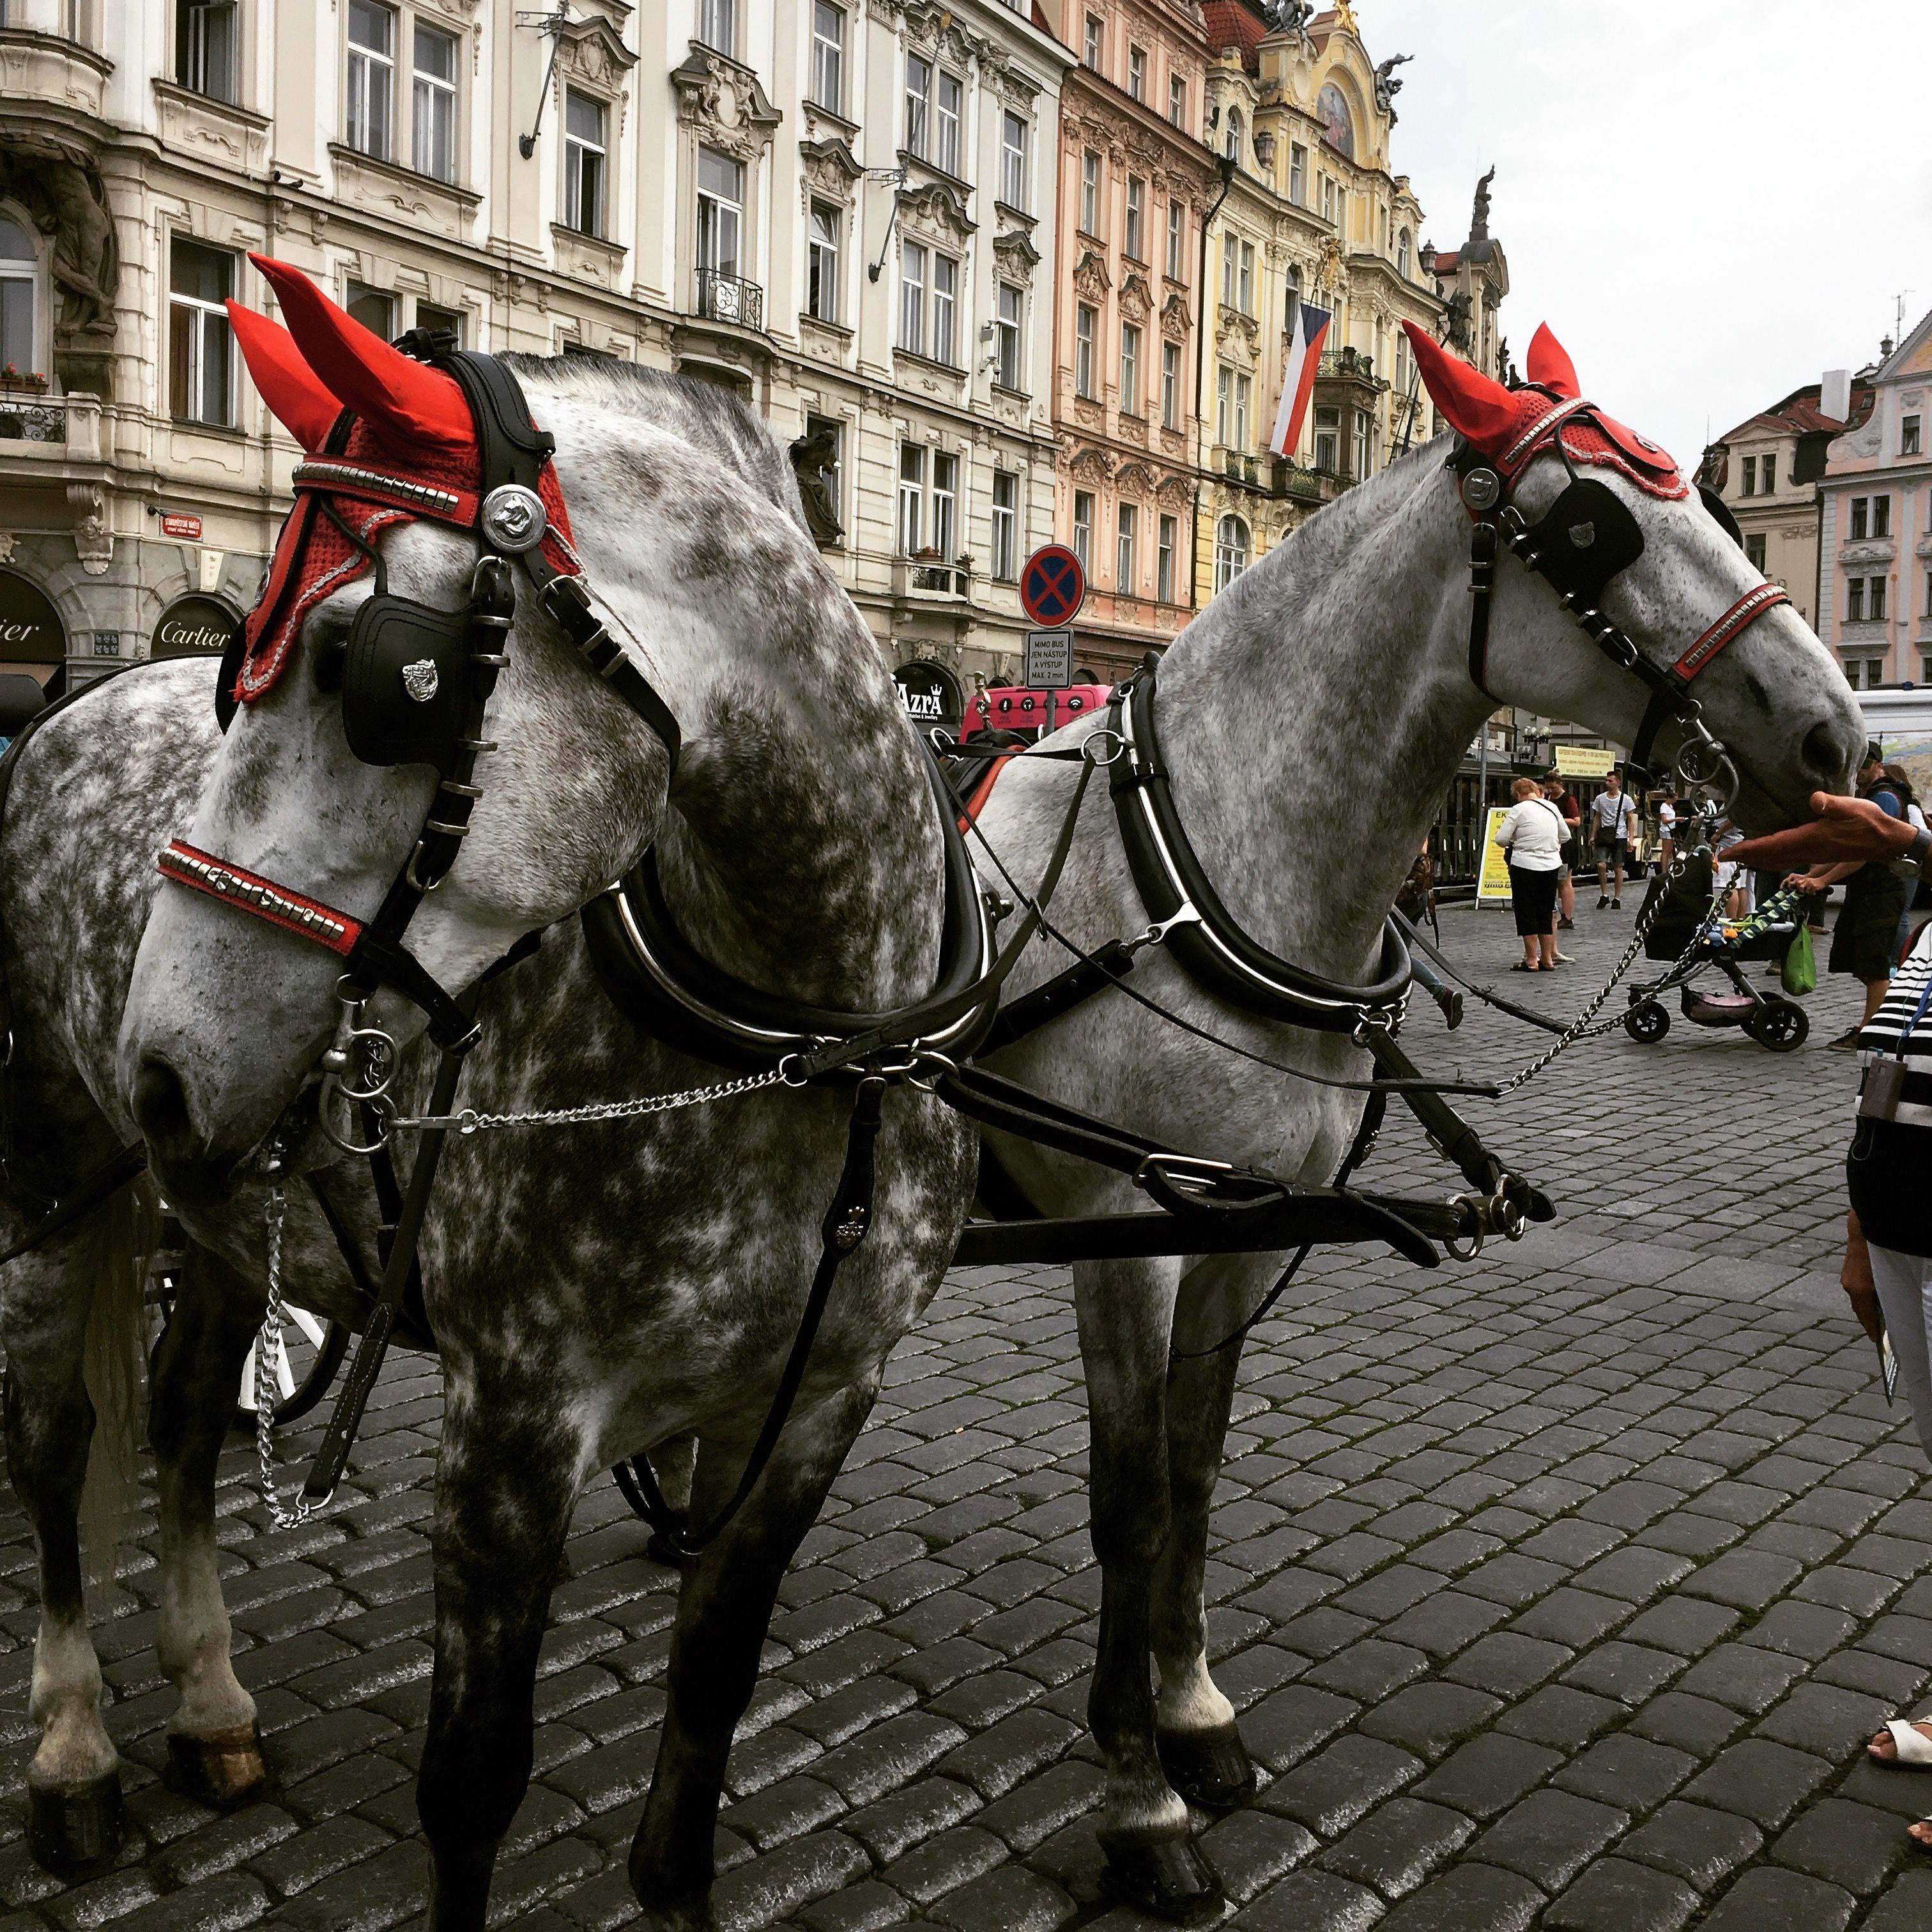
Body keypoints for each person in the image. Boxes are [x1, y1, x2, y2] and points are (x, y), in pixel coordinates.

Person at [1786, 747, 1914, 1050]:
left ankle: (1871, 1032)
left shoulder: (1885, 798)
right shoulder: (1870, 796)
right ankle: (1885, 1022)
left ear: (1879, 766)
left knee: (1876, 966)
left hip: (1882, 890)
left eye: (1865, 765)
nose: (1859, 772)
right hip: (1869, 891)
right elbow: (1848, 848)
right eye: (1857, 766)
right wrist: (1811, 874)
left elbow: (1864, 851)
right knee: (1866, 962)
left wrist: (1821, 880)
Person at [1496, 775, 1565, 970]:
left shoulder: (1518, 810)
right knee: (1546, 911)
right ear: (1536, 791)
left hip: (1524, 866)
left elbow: (1501, 839)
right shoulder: (1552, 808)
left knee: (1526, 911)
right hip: (1551, 866)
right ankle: (1548, 959)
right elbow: (1566, 835)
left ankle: (1532, 960)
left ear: (1518, 794)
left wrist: (1516, 841)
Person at [1589, 770, 1637, 908]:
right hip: (1604, 835)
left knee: (1618, 867)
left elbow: (1630, 820)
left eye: (1610, 781)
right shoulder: (1600, 799)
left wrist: (1631, 839)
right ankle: (1604, 894)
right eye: (1606, 780)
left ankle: (1617, 897)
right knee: (1601, 865)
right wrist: (1593, 835)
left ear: (1618, 782)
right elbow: (1597, 818)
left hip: (1620, 836)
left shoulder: (1626, 799)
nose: (1607, 783)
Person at [1544, 777, 1581, 929]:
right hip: (1553, 843)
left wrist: (1558, 819)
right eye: (1548, 788)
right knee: (1556, 881)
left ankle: (1567, 917)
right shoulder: (1548, 798)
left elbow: (1577, 821)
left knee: (1564, 880)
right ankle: (1556, 913)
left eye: (1553, 788)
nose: (1550, 791)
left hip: (1566, 845)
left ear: (1560, 784)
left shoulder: (1568, 799)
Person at [1655, 788, 1678, 870]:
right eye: (1673, 800)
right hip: (1666, 830)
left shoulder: (1671, 807)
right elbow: (1664, 820)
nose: (1674, 802)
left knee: (1670, 851)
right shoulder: (1664, 806)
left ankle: (1668, 868)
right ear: (1669, 798)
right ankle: (1664, 870)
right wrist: (1676, 819)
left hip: (1671, 829)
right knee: (1665, 851)